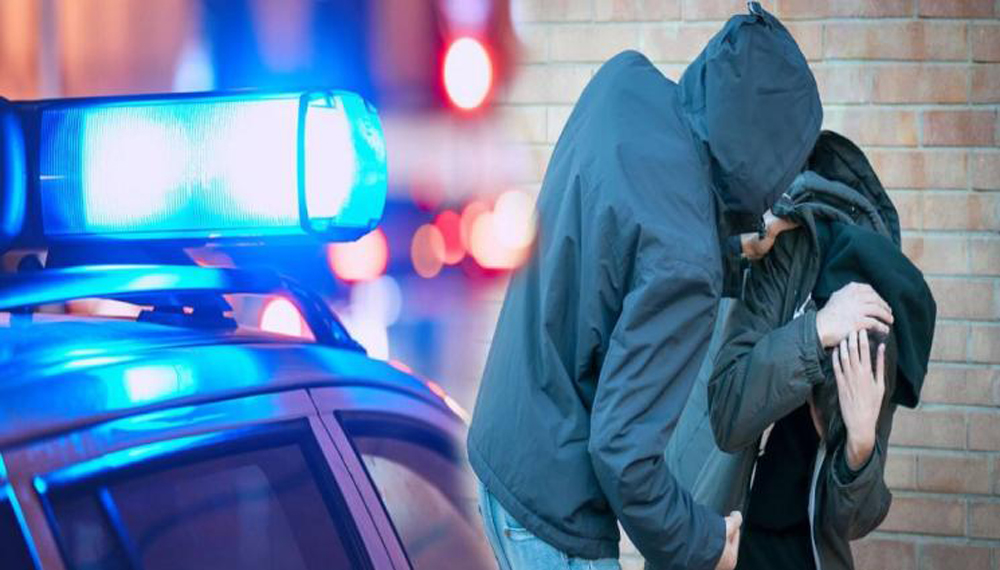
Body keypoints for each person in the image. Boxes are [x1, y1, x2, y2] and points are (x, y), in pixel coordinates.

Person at [467, 4, 824, 570]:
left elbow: (623, 243)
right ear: (769, 154)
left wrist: (733, 249)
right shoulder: (687, 264)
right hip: (554, 518)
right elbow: (623, 456)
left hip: (502, 451)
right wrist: (707, 542)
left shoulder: (622, 81)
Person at [707, 132, 937, 570]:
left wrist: (860, 447)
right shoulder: (771, 255)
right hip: (718, 535)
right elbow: (726, 415)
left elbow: (851, 521)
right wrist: (814, 333)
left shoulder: (873, 316)